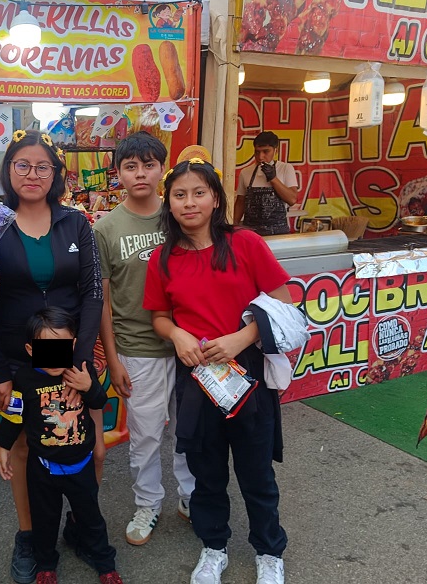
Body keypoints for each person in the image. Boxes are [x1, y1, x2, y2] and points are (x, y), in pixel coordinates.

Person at [144, 158, 291, 584]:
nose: (189, 202)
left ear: (215, 199)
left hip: (247, 371)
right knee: (205, 473)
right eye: (179, 195)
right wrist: (178, 335)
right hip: (196, 377)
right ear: (168, 203)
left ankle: (269, 551)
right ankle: (213, 547)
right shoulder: (163, 258)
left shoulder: (245, 243)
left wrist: (242, 338)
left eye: (198, 193)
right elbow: (157, 315)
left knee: (256, 472)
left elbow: (282, 302)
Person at [0, 129, 104, 584]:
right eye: (22, 164)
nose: (32, 173)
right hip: (15, 351)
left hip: (69, 352)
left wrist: (80, 356)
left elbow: (91, 293)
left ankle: (81, 527)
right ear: (9, 170)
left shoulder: (76, 224)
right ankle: (30, 536)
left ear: (56, 174)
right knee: (27, 443)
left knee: (88, 438)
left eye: (42, 166)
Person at [93, 132, 194, 546]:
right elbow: (104, 300)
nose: (140, 174)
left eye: (149, 165)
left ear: (162, 170)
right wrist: (113, 360)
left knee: (189, 431)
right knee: (147, 434)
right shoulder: (105, 228)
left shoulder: (181, 216)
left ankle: (192, 497)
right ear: (117, 173)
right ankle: (148, 503)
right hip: (138, 350)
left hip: (191, 345)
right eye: (131, 166)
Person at [0, 307, 122, 584]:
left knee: (91, 518)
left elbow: (99, 403)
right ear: (30, 349)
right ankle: (45, 566)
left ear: (73, 345)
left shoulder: (82, 372)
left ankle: (104, 563)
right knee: (44, 521)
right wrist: (3, 447)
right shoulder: (26, 379)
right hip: (42, 470)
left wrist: (89, 386)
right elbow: (15, 417)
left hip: (81, 466)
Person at [233, 131, 298, 236]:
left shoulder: (285, 168)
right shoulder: (245, 172)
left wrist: (273, 178)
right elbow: (241, 201)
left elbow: (292, 199)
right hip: (251, 234)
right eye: (257, 152)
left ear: (275, 150)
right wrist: (234, 226)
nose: (260, 157)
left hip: (278, 233)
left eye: (266, 151)